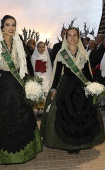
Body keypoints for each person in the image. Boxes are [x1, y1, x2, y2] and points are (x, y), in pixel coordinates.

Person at [40, 27, 105, 154]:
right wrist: (53, 88)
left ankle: (80, 142)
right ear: (66, 37)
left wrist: (93, 87)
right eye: (69, 35)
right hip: (66, 86)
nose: (72, 38)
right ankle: (69, 144)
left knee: (82, 114)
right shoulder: (61, 54)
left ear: (78, 37)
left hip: (81, 87)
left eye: (75, 35)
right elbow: (57, 74)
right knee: (67, 114)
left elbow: (88, 74)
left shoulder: (83, 53)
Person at [0, 15, 42, 164]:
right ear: (2, 27)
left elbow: (26, 67)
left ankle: (24, 152)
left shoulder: (19, 44)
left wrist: (30, 84)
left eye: (13, 25)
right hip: (3, 84)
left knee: (22, 113)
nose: (11, 28)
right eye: (7, 25)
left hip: (18, 85)